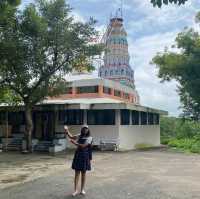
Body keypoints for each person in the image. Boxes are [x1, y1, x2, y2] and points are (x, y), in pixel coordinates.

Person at [64, 125, 93, 197]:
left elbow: (84, 146)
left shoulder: (90, 137)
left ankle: (82, 189)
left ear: (88, 130)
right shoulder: (79, 135)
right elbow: (71, 137)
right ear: (82, 130)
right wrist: (66, 130)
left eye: (86, 129)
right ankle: (75, 190)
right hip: (78, 155)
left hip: (85, 156)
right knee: (77, 173)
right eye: (84, 129)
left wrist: (74, 143)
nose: (85, 130)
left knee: (83, 173)